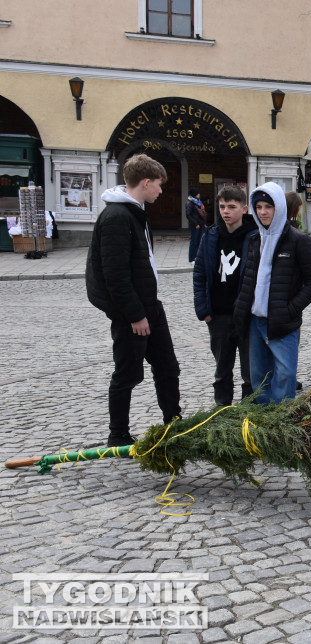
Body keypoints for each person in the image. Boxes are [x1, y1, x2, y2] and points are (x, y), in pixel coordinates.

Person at [86, 153, 182, 447]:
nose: (161, 191)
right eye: (159, 185)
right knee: (127, 373)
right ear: (145, 182)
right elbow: (115, 275)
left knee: (167, 367)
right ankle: (118, 435)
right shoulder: (117, 217)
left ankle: (174, 424)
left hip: (150, 306)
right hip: (132, 314)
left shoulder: (135, 212)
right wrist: (135, 315)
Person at [233, 183, 311, 405]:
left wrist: (290, 309)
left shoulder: (298, 240)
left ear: (279, 208)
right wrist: (241, 310)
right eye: (259, 207)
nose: (263, 212)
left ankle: (283, 418)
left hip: (282, 322)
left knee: (285, 376)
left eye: (268, 207)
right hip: (256, 321)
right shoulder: (254, 239)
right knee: (259, 378)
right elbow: (249, 279)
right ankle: (264, 419)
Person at [192, 185, 258, 406]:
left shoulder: (254, 236)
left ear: (244, 208)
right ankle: (222, 409)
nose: (226, 211)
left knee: (250, 372)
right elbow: (200, 273)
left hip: (246, 315)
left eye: (231, 206)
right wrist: (204, 311)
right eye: (222, 207)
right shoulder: (211, 235)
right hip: (218, 315)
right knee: (222, 370)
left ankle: (249, 412)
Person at [186, 187, 207, 262]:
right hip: (195, 225)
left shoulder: (198, 202)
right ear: (194, 194)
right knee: (194, 242)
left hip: (200, 224)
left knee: (199, 242)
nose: (199, 194)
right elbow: (188, 215)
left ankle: (197, 257)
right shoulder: (190, 203)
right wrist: (195, 224)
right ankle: (191, 258)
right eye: (197, 193)